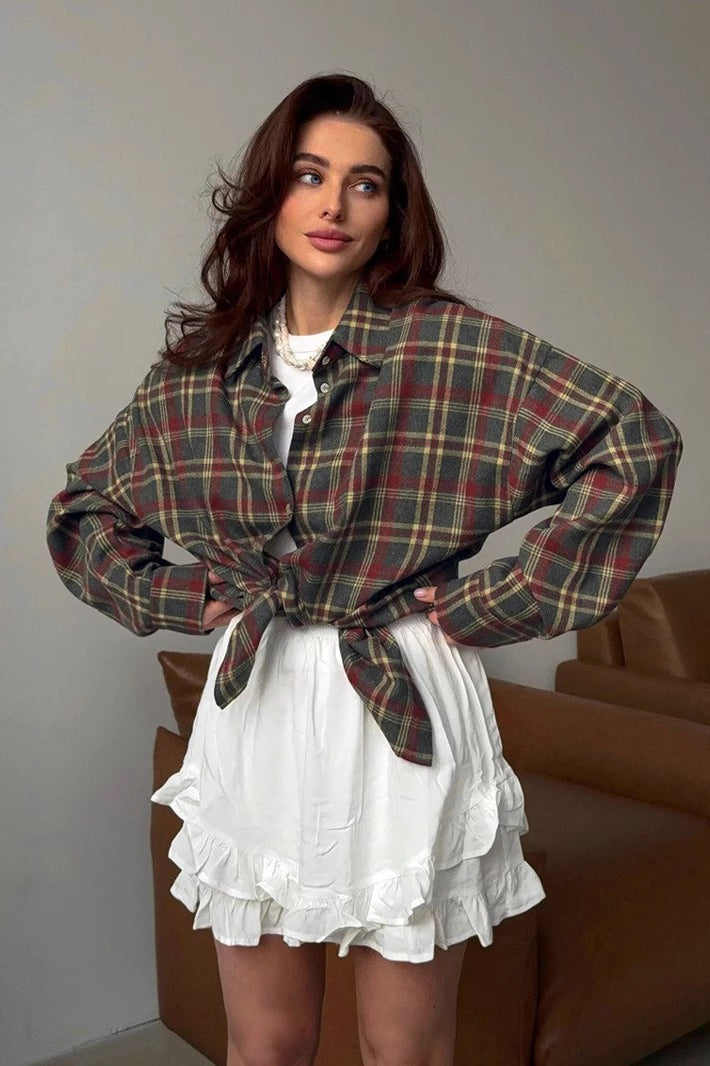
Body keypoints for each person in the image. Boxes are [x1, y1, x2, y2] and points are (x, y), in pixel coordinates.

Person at [47, 73, 682, 1066]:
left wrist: (496, 602)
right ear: (270, 193)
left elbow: (632, 442)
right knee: (264, 1043)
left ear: (393, 212)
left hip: (399, 702)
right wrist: (182, 593)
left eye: (365, 183)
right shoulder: (201, 370)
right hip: (255, 708)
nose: (334, 204)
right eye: (310, 175)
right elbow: (84, 511)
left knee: (403, 1051)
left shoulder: (447, 347)